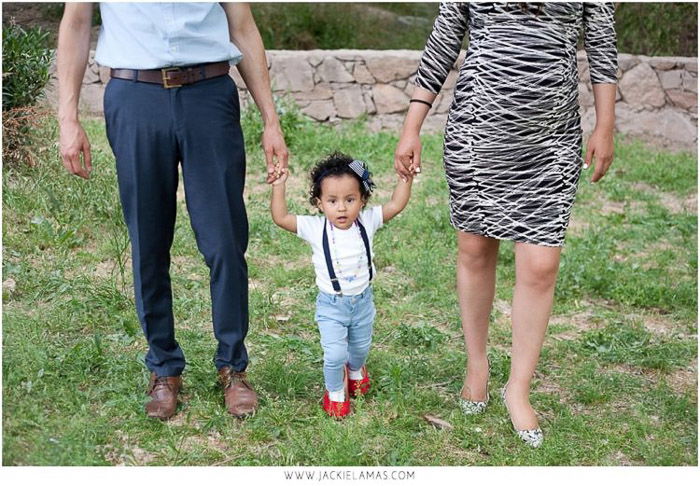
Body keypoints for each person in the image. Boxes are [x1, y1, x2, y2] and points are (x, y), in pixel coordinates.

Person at [395, 3, 617, 447]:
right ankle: (477, 365)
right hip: (478, 133)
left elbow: (602, 44)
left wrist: (606, 123)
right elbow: (443, 41)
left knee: (540, 266)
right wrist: (412, 125)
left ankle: (518, 388)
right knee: (475, 250)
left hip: (551, 140)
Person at [57, 2, 289, 420]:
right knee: (148, 240)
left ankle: (233, 368)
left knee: (225, 239)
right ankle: (164, 369)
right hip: (134, 97)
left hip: (209, 93)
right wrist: (67, 118)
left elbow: (243, 25)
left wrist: (270, 119)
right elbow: (75, 24)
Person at [270, 153, 412, 418]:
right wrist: (279, 185)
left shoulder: (367, 222)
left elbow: (396, 204)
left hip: (362, 302)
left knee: (359, 348)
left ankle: (356, 369)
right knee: (334, 354)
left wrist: (405, 179)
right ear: (319, 203)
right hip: (331, 305)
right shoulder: (315, 228)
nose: (342, 208)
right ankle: (335, 391)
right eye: (332, 201)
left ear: (363, 200)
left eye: (350, 200)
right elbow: (281, 217)